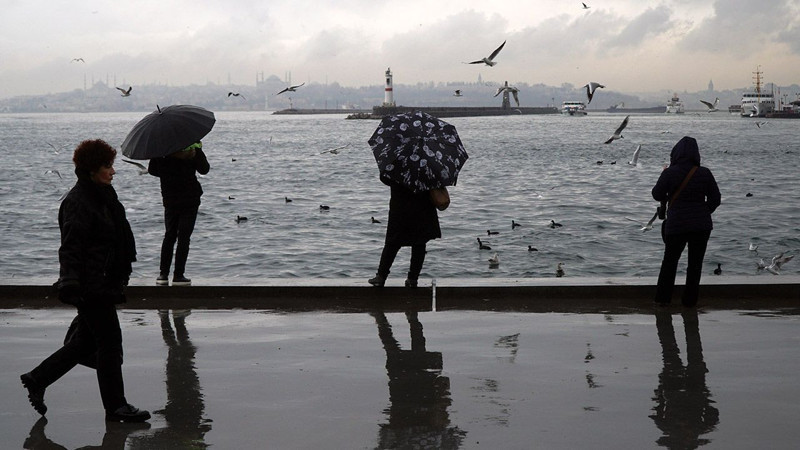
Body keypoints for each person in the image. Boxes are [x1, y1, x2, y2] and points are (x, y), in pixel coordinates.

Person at [20, 139, 150, 422]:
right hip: (91, 285)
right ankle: (116, 407)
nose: (113, 171)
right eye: (107, 166)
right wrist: (70, 283)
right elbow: (70, 246)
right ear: (92, 169)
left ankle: (37, 378)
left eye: (112, 165)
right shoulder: (78, 201)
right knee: (110, 344)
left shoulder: (103, 196)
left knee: (86, 342)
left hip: (104, 281)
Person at [652, 136, 721, 306]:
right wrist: (703, 211)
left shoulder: (669, 173)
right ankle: (689, 302)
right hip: (701, 227)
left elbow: (657, 194)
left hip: (676, 225)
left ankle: (663, 300)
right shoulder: (704, 173)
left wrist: (664, 175)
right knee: (695, 265)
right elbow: (716, 198)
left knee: (669, 262)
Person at [148, 142, 210, 286]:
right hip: (190, 197)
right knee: (184, 237)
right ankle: (178, 275)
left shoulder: (161, 148)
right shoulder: (191, 146)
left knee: (169, 235)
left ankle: (163, 274)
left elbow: (152, 170)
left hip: (170, 197)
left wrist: (167, 170)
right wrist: (198, 150)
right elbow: (204, 169)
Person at [369, 175, 441, 288]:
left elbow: (385, 178)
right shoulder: (428, 168)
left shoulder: (398, 166)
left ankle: (381, 276)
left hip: (400, 206)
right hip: (422, 207)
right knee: (419, 243)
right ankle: (413, 278)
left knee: (393, 243)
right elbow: (436, 182)